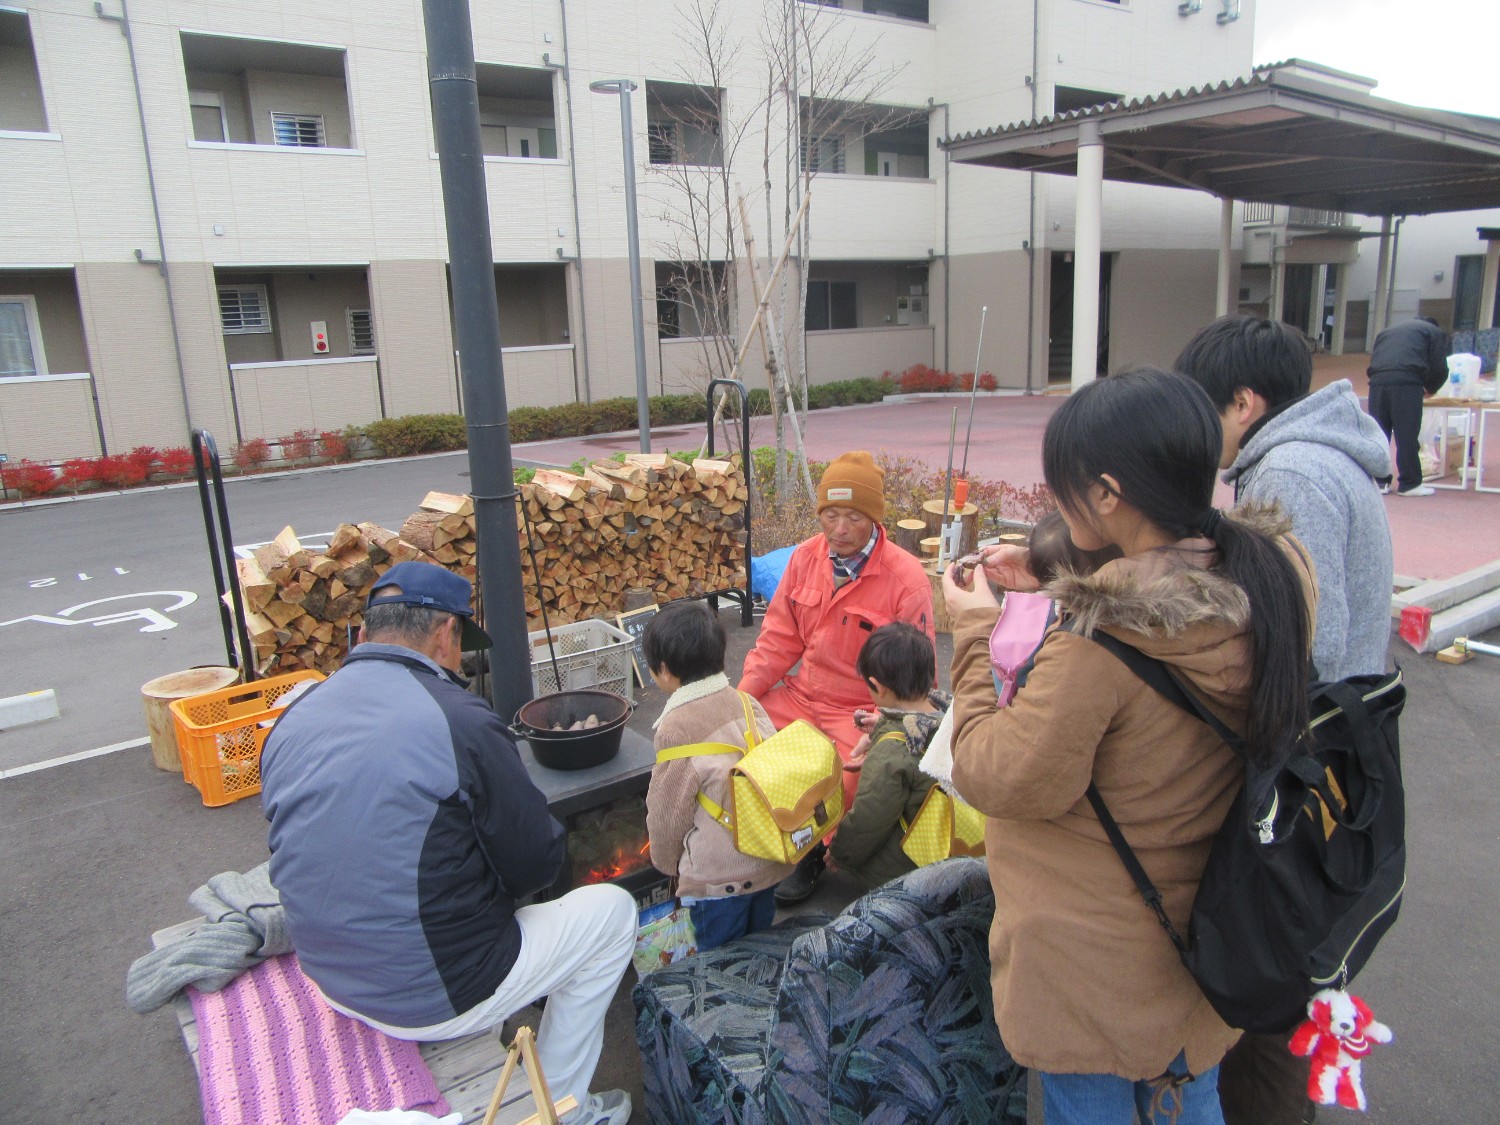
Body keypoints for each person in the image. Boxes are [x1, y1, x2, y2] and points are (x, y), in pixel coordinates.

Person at [943, 368, 1316, 1125]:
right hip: (1213, 928)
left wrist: (974, 631)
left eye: (1065, 488)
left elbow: (999, 775)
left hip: (1098, 966)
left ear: (1108, 494)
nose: (1056, 502)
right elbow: (1162, 594)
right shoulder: (1275, 573)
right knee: (1190, 1095)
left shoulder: (1100, 644)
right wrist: (1057, 583)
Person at [261, 562, 635, 1125]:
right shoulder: (459, 720)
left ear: (363, 635)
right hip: (436, 993)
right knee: (613, 913)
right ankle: (563, 1107)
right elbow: (535, 864)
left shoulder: (296, 714)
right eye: (463, 645)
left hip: (328, 976)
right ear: (445, 634)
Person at [738, 450, 936, 904]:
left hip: (861, 710)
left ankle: (811, 853)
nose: (839, 530)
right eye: (830, 514)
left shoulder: (906, 580)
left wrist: (886, 726)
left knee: (851, 778)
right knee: (743, 740)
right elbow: (776, 641)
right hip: (801, 696)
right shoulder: (806, 558)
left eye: (853, 517)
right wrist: (740, 700)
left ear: (874, 517)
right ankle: (772, 834)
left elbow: (918, 683)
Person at [1175, 314, 1394, 682]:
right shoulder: (1311, 452)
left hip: (1319, 718)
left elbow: (1312, 637)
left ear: (1243, 404)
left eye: (1205, 414)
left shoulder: (1291, 472)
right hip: (1340, 705)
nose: (1200, 431)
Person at [644, 601, 792, 949]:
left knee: (715, 967)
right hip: (768, 861)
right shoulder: (745, 702)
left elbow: (667, 814)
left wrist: (668, 867)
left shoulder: (675, 729)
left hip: (718, 881)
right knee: (756, 953)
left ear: (664, 670)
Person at [828, 622, 950, 889]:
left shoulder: (893, 751)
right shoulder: (949, 714)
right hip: (953, 843)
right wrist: (881, 727)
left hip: (909, 870)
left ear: (877, 686)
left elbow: (870, 816)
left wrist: (840, 853)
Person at [1365, 315, 1451, 497]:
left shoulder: (1387, 332)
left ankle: (1379, 481)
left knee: (1378, 433)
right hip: (1407, 382)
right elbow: (1441, 368)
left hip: (1377, 381)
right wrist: (1431, 388)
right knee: (1407, 433)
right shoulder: (1434, 332)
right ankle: (1409, 483)